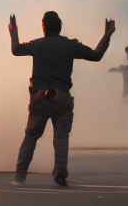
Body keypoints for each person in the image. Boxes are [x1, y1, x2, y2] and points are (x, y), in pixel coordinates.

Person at [9, 11, 115, 186]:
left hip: (40, 98)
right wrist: (107, 35)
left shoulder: (37, 45)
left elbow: (16, 50)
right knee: (61, 137)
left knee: (31, 136)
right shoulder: (70, 45)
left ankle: (19, 176)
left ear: (44, 27)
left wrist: (13, 31)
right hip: (62, 97)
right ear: (59, 28)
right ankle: (60, 172)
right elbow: (96, 55)